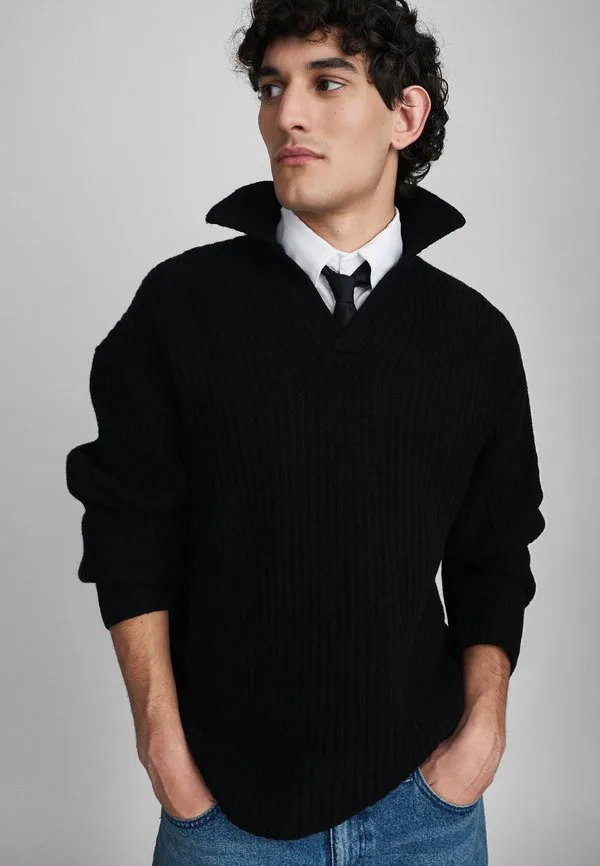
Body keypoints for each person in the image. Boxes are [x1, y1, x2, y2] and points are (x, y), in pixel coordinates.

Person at [65, 1, 546, 863]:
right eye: (271, 87)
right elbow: (128, 531)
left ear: (404, 115)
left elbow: (494, 554)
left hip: (426, 813)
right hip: (224, 817)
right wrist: (164, 752)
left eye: (327, 84)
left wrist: (481, 736)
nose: (287, 113)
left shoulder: (474, 338)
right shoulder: (179, 309)